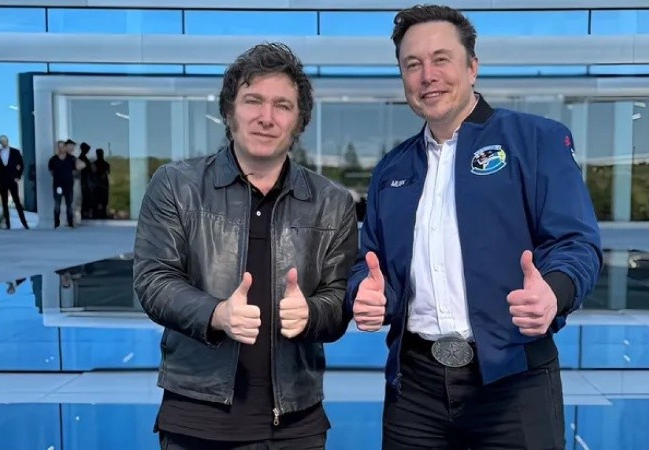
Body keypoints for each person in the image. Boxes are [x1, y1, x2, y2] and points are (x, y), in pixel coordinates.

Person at [345, 5, 603, 450]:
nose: (428, 76)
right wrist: (365, 294)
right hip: (415, 389)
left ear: (472, 67)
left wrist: (554, 291)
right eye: (413, 64)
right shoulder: (391, 169)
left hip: (513, 379)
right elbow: (368, 263)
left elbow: (576, 242)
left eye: (441, 59)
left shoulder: (535, 140)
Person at [133, 42, 358, 450]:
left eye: (282, 106)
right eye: (253, 101)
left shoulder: (333, 202)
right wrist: (216, 313)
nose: (266, 117)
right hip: (197, 419)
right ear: (229, 110)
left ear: (299, 121)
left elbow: (339, 299)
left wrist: (312, 312)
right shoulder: (176, 185)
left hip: (296, 425)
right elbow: (153, 280)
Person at [0, 135, 29, 229]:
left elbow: (21, 164)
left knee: (17, 201)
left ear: (7, 141)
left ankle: (25, 223)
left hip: (12, 179)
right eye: (1, 141)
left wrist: (18, 176)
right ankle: (8, 225)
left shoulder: (15, 152)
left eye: (4, 140)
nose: (3, 142)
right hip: (2, 180)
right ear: (0, 142)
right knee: (4, 202)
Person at [48, 140, 77, 228]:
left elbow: (75, 170)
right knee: (57, 205)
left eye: (62, 146)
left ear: (65, 147)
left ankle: (70, 224)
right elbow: (51, 172)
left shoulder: (71, 158)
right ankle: (56, 224)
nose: (61, 148)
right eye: (59, 147)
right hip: (58, 186)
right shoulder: (53, 159)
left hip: (68, 186)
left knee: (69, 205)